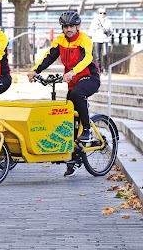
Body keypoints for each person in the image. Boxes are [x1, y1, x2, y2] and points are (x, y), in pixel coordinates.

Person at [27, 11, 100, 177]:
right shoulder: (60, 40)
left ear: (77, 27)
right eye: (66, 26)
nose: (68, 29)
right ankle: (74, 159)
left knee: (77, 94)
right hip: (72, 79)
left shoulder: (84, 40)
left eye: (71, 26)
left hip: (89, 77)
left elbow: (86, 59)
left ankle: (87, 129)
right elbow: (49, 57)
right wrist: (34, 71)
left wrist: (73, 71)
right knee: (67, 115)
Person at [88, 7, 113, 75]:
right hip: (96, 39)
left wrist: (106, 32)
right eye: (100, 13)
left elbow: (111, 32)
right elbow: (90, 32)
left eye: (104, 13)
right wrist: (95, 29)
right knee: (97, 56)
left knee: (105, 54)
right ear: (98, 13)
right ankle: (98, 70)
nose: (102, 14)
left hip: (105, 40)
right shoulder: (94, 21)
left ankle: (105, 68)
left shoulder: (108, 21)